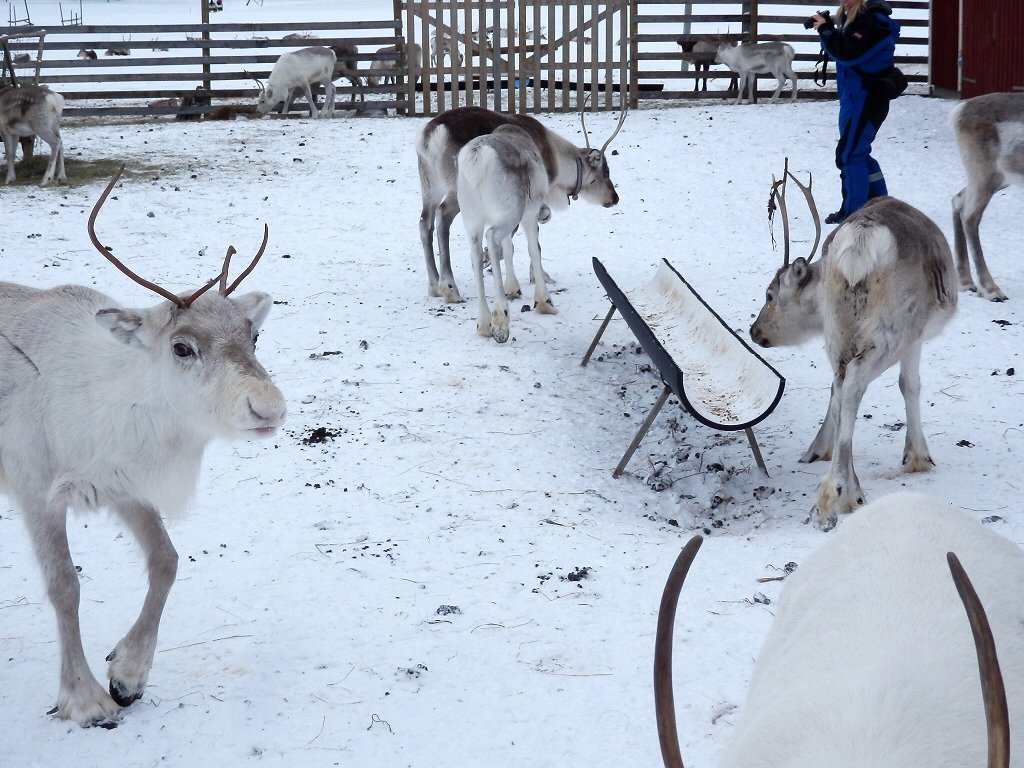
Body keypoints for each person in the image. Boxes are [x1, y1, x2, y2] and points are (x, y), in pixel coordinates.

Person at [811, 0, 900, 224]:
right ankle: (881, 205)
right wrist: (830, 26)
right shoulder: (860, 21)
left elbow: (849, 54)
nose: (845, 1)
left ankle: (853, 215)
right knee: (856, 153)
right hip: (854, 99)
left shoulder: (874, 23)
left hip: (867, 99)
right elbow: (847, 46)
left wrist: (826, 29)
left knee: (850, 155)